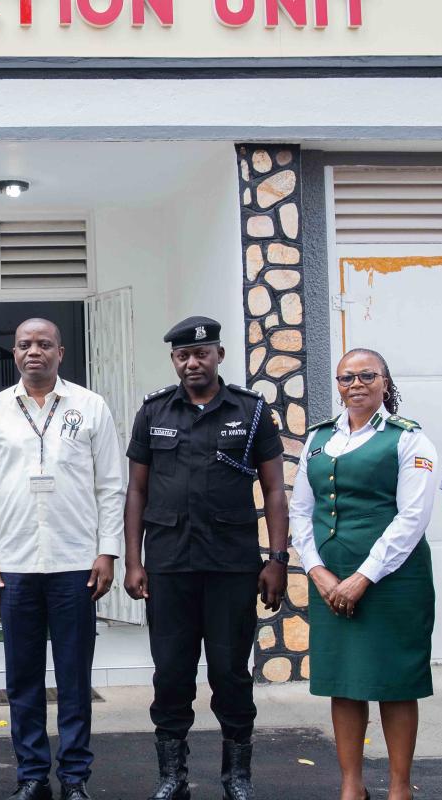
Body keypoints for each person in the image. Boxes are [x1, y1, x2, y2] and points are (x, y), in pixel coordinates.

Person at [121, 315, 290, 800]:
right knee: (171, 671)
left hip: (232, 567)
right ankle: (172, 776)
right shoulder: (154, 412)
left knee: (230, 672)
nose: (192, 362)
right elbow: (136, 491)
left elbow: (275, 488)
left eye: (202, 353)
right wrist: (135, 561)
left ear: (218, 355)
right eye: (183, 356)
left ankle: (237, 776)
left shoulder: (252, 411)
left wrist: (276, 559)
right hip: (170, 565)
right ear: (174, 360)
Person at [0, 318, 124, 800]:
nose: (33, 352)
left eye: (43, 345)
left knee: (75, 678)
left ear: (60, 352)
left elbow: (110, 485)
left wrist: (107, 550)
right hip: (14, 564)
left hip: (76, 563)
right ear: (14, 354)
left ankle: (75, 778)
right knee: (23, 678)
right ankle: (32, 775)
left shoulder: (90, 406)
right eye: (23, 345)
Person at [290, 349, 440, 800]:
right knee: (345, 683)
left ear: (385, 381)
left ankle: (399, 787)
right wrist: (316, 570)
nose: (355, 384)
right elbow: (301, 510)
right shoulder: (318, 440)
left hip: (393, 581)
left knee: (395, 683)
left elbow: (413, 517)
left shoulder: (409, 439)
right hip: (329, 578)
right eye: (345, 378)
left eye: (366, 376)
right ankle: (352, 785)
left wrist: (364, 576)